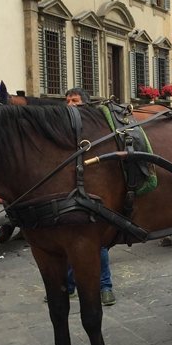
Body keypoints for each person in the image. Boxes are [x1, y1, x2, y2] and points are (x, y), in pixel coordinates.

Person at [63, 87, 116, 306]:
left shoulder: (95, 126)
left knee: (98, 243)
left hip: (93, 188)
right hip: (69, 188)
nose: (70, 104)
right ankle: (70, 286)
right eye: (67, 101)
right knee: (67, 239)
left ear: (85, 103)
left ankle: (105, 286)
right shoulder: (63, 127)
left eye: (74, 100)